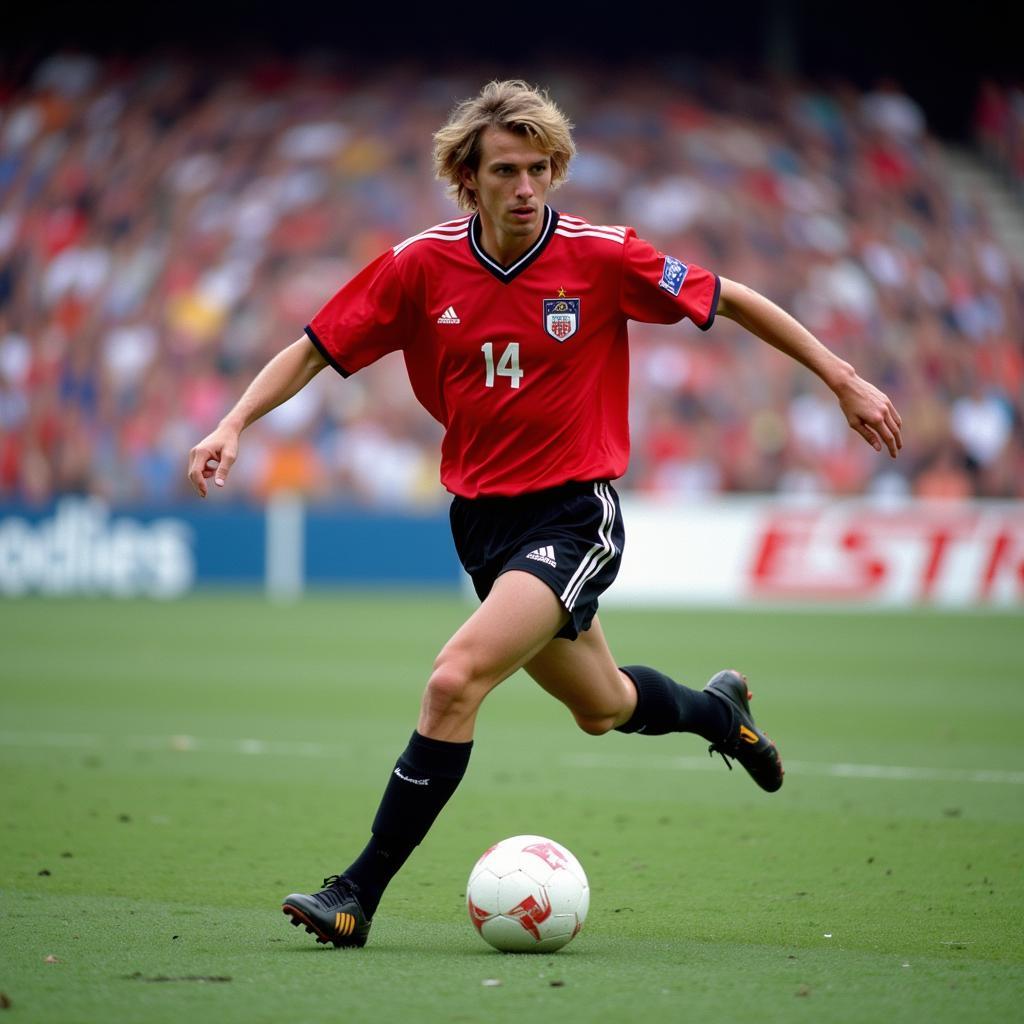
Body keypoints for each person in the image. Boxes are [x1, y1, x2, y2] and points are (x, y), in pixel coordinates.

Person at [187, 80, 903, 949]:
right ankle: (721, 712)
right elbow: (315, 348)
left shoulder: (602, 257)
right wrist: (232, 422)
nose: (526, 187)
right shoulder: (422, 265)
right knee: (601, 706)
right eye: (505, 171)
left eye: (539, 169)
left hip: (574, 515)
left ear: (555, 170)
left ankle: (356, 893)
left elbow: (733, 298)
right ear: (468, 179)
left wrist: (842, 378)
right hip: (482, 523)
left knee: (454, 681)